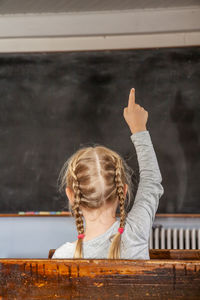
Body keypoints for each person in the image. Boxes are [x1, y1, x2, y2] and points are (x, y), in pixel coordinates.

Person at [52, 88, 164, 259]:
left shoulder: (63, 257)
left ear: (71, 195)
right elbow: (151, 181)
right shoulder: (135, 234)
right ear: (123, 191)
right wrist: (138, 128)